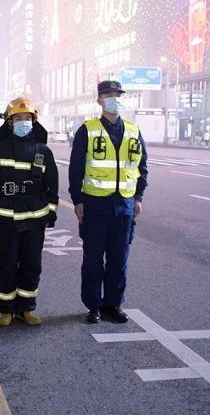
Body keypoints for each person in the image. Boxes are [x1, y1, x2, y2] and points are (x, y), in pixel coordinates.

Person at [69, 80, 148, 324]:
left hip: (124, 207)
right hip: (95, 206)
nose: (115, 98)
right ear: (99, 100)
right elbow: (76, 169)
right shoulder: (88, 130)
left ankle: (112, 304)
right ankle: (93, 306)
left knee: (119, 258)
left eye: (117, 94)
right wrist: (77, 200)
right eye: (109, 95)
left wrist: (138, 197)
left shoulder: (134, 130)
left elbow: (142, 167)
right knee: (93, 259)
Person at [0, 97, 59, 327]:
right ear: (8, 122)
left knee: (32, 264)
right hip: (6, 219)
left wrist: (50, 213)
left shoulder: (43, 151)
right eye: (18, 118)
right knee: (6, 264)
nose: (23, 122)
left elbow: (52, 186)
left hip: (35, 219)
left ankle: (26, 308)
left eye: (27, 118)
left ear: (34, 121)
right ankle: (5, 310)